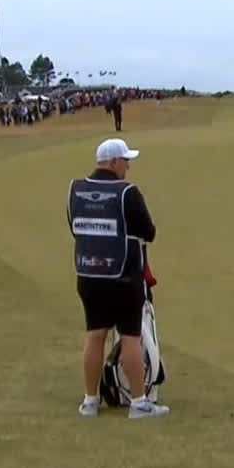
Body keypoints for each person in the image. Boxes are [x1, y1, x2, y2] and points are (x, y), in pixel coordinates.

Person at [68, 137, 168, 419]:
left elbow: (75, 227)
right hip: (123, 275)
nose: (128, 167)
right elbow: (148, 231)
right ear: (112, 162)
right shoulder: (127, 192)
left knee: (95, 334)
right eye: (125, 161)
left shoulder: (76, 190)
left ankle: (90, 401)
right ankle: (138, 403)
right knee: (130, 337)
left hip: (88, 274)